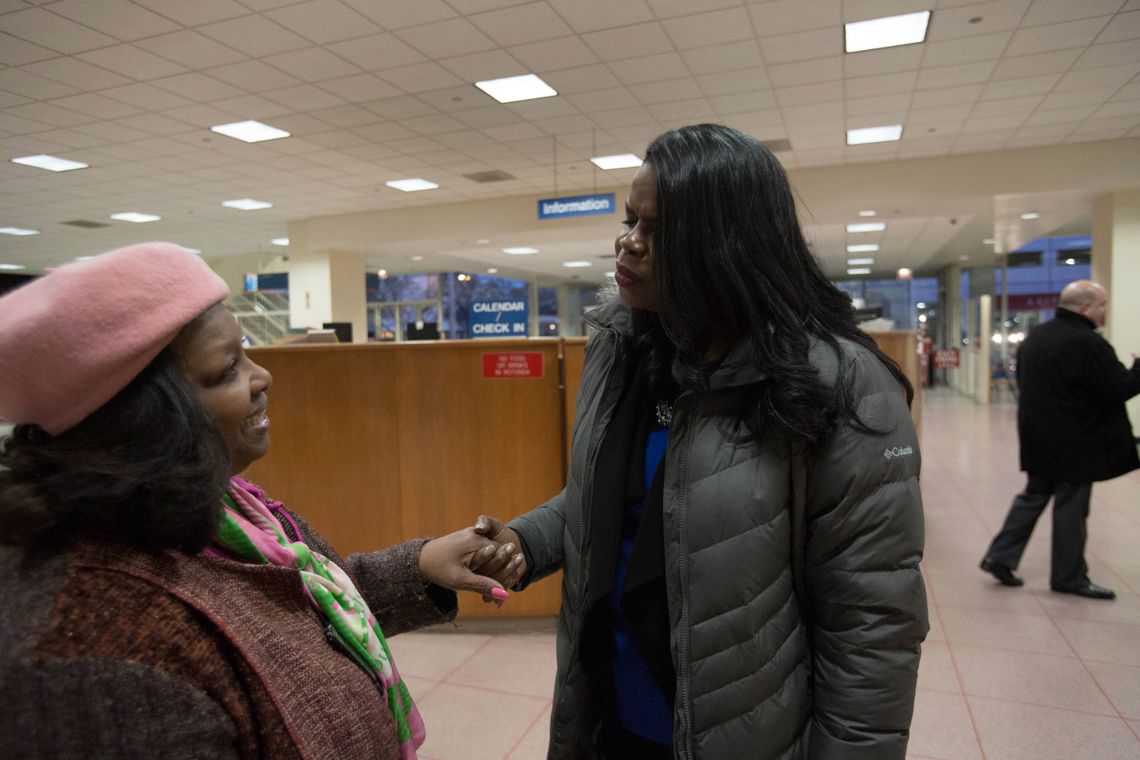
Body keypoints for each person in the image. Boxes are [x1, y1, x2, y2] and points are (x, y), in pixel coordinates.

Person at [471, 124, 928, 759]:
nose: (627, 243)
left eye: (657, 231)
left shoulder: (840, 385)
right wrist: (525, 540)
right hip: (610, 718)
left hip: (740, 732)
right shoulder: (624, 348)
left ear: (724, 245)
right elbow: (614, 497)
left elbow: (872, 625)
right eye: (630, 219)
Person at [0, 242, 515, 758]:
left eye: (244, 348)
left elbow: (300, 612)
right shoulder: (88, 651)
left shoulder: (233, 509)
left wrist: (421, 567)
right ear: (141, 419)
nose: (263, 376)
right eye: (227, 369)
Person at [980, 280, 1140, 599]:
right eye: (1102, 304)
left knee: (1033, 496)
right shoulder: (1087, 343)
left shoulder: (1036, 338)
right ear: (1085, 307)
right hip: (1076, 443)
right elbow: (1117, 389)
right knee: (1071, 509)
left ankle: (1000, 556)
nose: (1105, 311)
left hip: (1039, 437)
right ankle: (1069, 577)